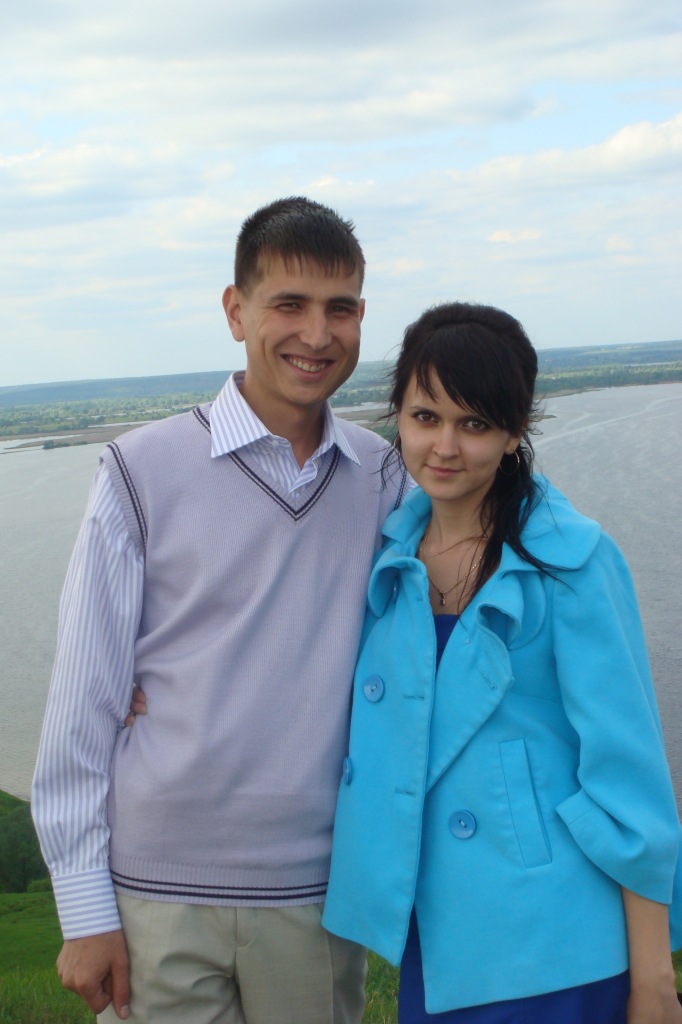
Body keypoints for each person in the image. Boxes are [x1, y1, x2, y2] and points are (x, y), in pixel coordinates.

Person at [31, 196, 407, 1024]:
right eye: (289, 304)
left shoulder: (384, 477)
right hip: (155, 891)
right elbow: (83, 701)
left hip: (316, 887)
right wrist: (85, 910)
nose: (317, 334)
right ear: (236, 311)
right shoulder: (140, 469)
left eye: (340, 308)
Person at [322, 301, 682, 1023]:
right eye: (425, 417)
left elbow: (630, 781)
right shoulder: (388, 557)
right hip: (439, 935)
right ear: (397, 417)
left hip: (555, 943)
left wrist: (654, 982)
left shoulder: (572, 564)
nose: (444, 446)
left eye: (475, 424)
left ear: (516, 432)